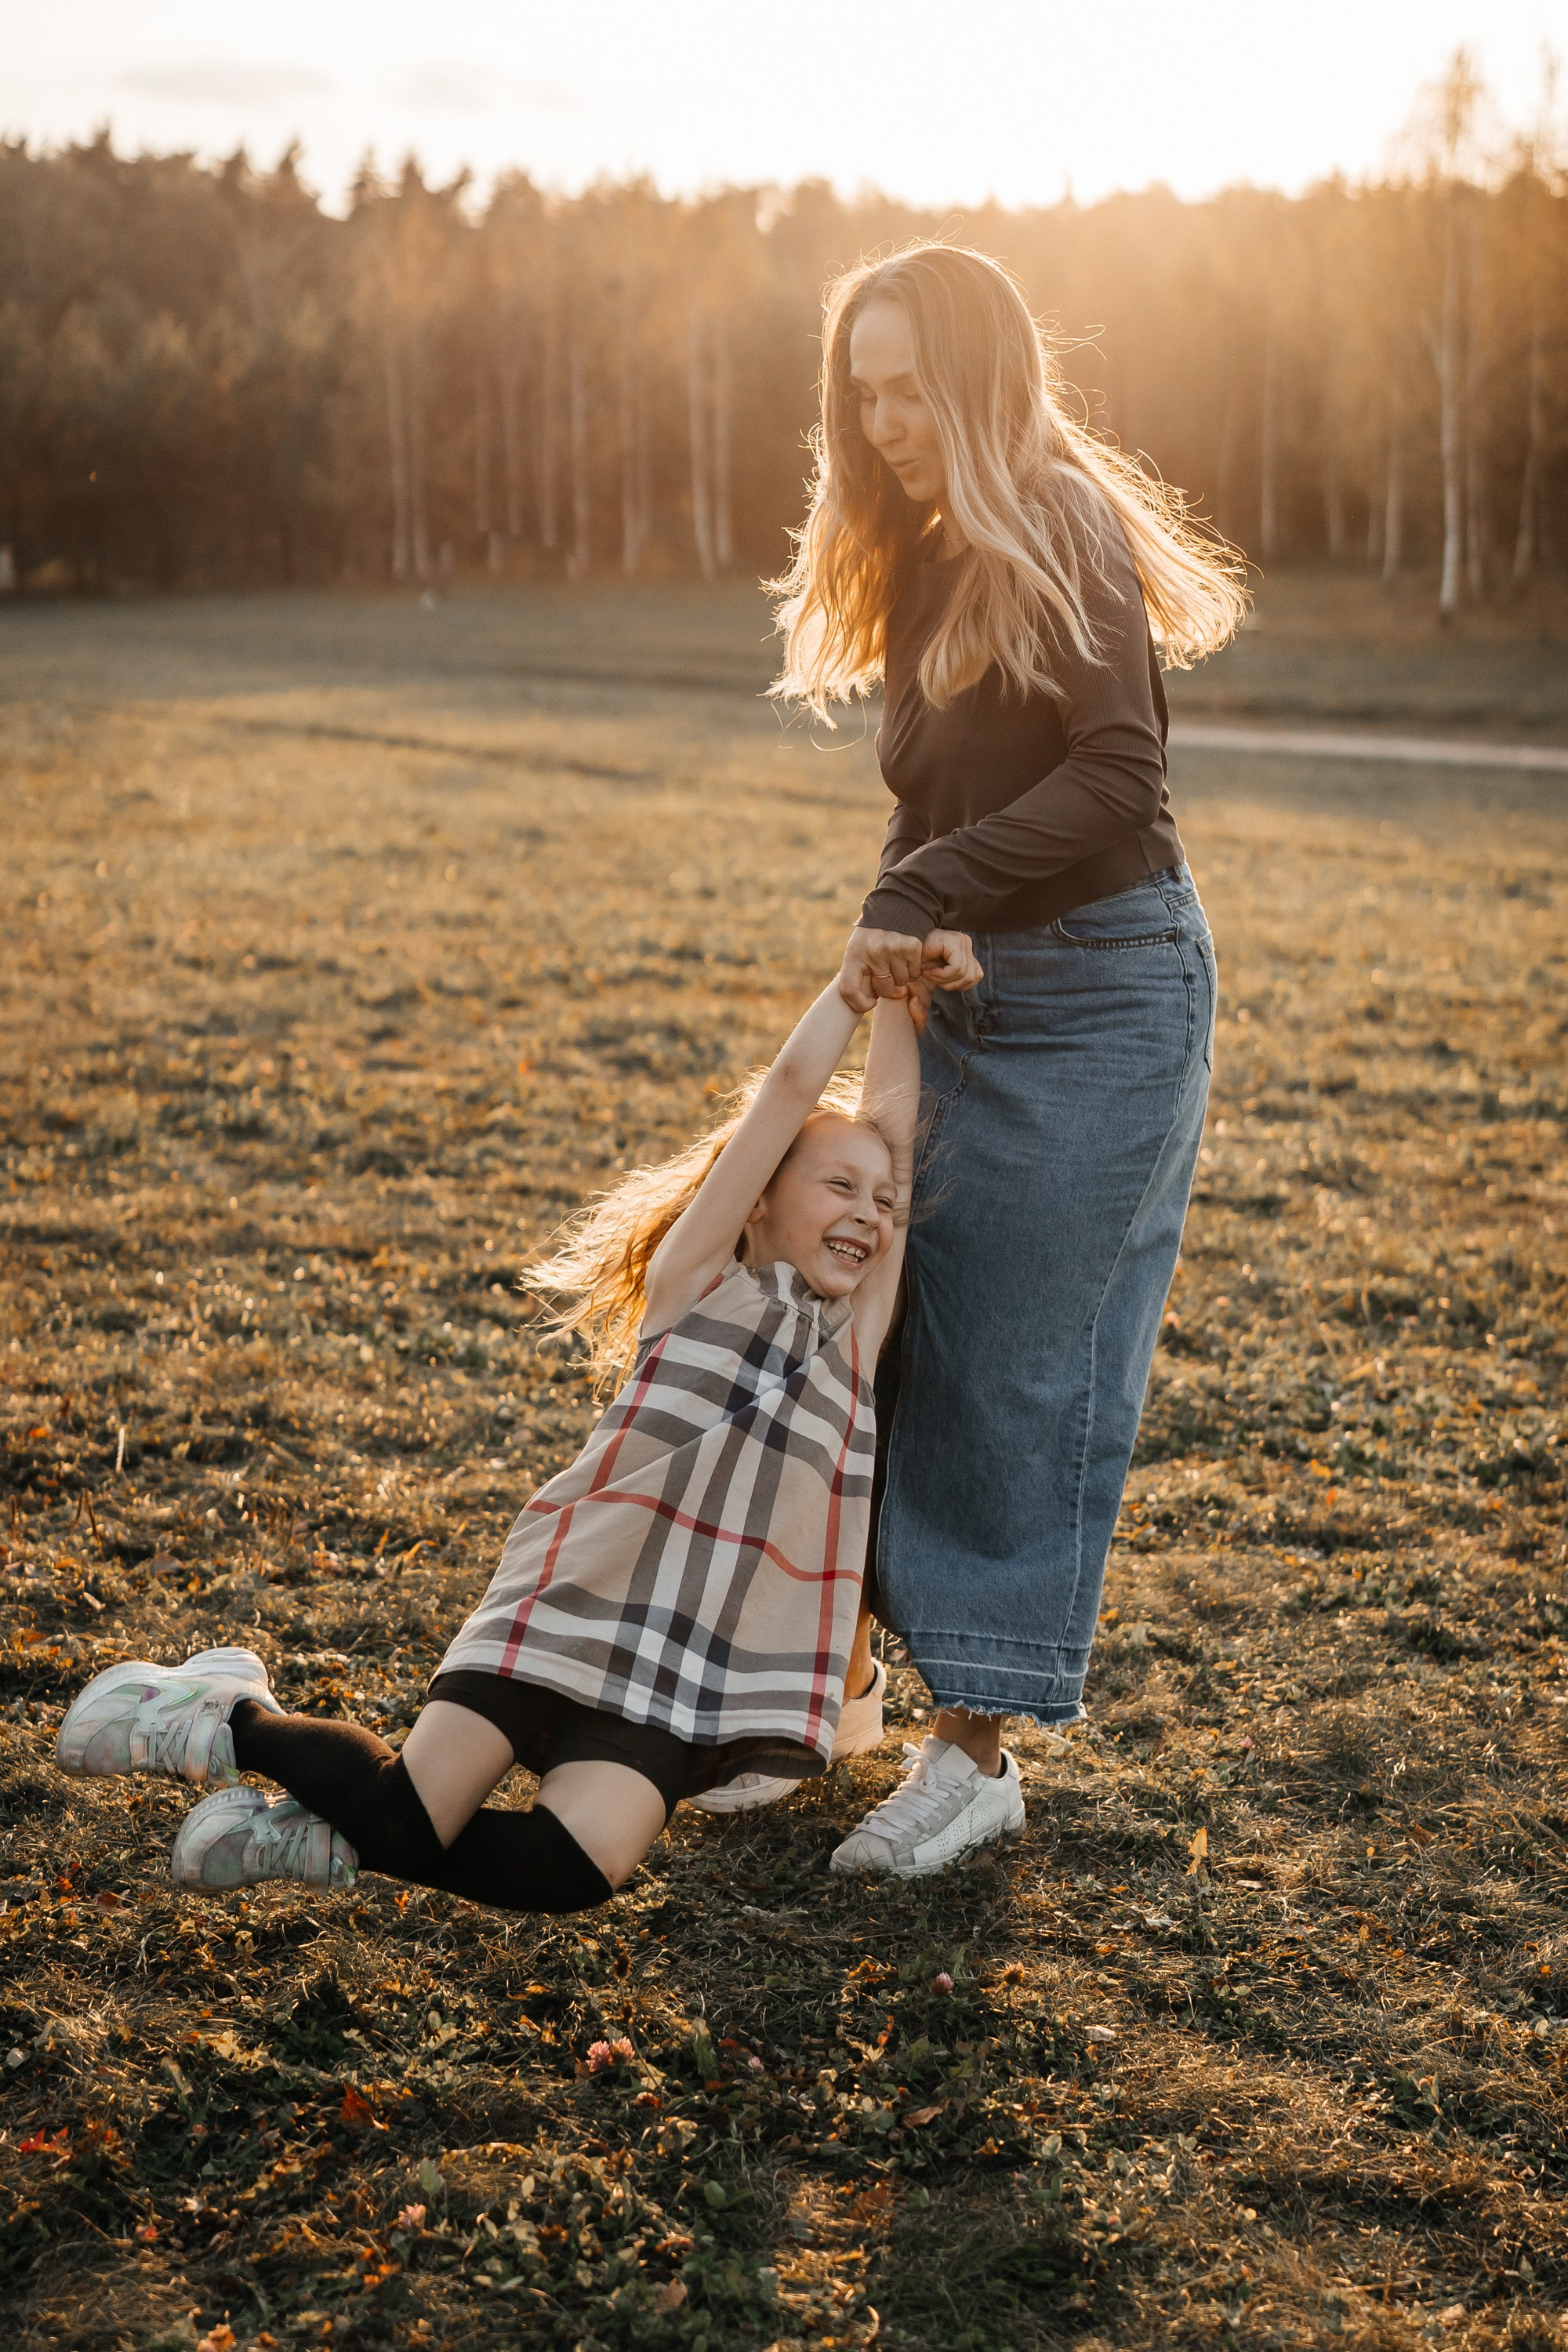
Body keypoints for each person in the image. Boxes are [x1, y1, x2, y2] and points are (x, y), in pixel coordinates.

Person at [53, 942, 979, 1914]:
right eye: (838, 1187)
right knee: (416, 1814)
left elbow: (899, 1146)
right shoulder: (698, 1283)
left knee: (568, 1872)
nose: (868, 1214)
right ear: (756, 1199)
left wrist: (902, 1014)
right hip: (575, 1593)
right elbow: (791, 1087)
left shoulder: (852, 1342)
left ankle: (331, 1835)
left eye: (880, 1203)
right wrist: (855, 988)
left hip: (695, 1658)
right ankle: (227, 1711)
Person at [751, 241, 1245, 1877]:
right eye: (862, 391)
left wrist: (929, 891)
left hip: (1108, 994)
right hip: (973, 986)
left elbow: (1118, 780)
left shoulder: (1063, 521)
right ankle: (838, 1693)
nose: (882, 421)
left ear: (976, 377)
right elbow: (931, 800)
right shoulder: (925, 550)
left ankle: (979, 1754)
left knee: (1024, 1363)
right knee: (897, 1337)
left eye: (908, 387)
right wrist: (905, 925)